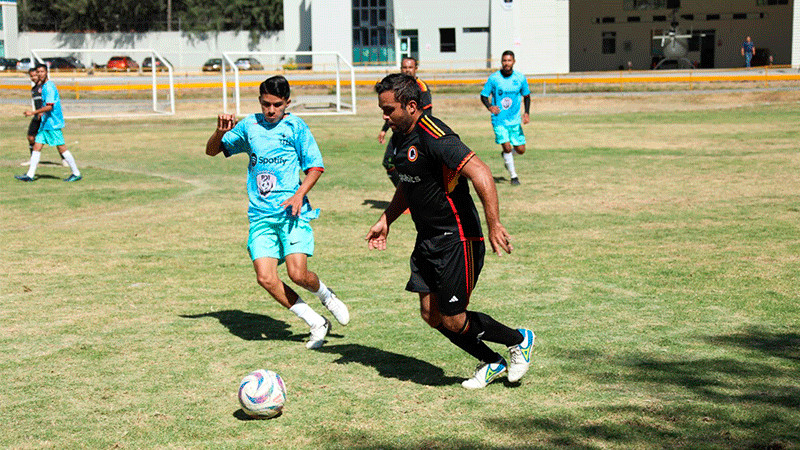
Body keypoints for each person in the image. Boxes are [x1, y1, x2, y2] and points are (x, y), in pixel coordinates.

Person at [366, 74, 535, 389]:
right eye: (382, 109)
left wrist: (494, 223)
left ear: (412, 106)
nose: (384, 116)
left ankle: (519, 339)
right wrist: (387, 218)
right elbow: (408, 181)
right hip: (427, 239)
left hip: (459, 239)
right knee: (431, 315)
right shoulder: (400, 137)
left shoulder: (436, 135)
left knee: (454, 318)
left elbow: (481, 172)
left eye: (389, 109)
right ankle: (493, 362)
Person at [205, 75, 349, 350]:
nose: (271, 110)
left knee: (298, 274)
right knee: (265, 278)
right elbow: (212, 152)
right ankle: (316, 322)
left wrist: (299, 194)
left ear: (287, 103)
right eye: (266, 104)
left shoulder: (296, 127)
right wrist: (220, 132)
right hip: (260, 216)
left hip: (291, 214)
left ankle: (326, 296)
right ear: (260, 102)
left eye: (277, 105)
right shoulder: (249, 126)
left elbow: (315, 166)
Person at [16, 64, 82, 182]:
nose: (40, 74)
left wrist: (34, 112)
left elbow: (49, 107)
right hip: (45, 123)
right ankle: (30, 175)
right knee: (37, 146)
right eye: (38, 72)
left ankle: (76, 173)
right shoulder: (44, 86)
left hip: (53, 123)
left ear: (46, 72)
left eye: (42, 71)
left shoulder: (49, 87)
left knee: (62, 148)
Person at [378, 57, 432, 186]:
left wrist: (421, 133)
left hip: (414, 132)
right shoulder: (396, 87)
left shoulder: (421, 87)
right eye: (404, 68)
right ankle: (406, 197)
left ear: (416, 69)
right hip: (399, 131)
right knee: (389, 162)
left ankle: (412, 198)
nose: (407, 70)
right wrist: (384, 130)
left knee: (413, 165)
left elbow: (426, 113)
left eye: (410, 67)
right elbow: (393, 111)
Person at [480, 50, 530, 186]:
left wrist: (526, 113)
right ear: (501, 62)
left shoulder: (520, 78)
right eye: (504, 61)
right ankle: (514, 176)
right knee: (507, 147)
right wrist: (490, 107)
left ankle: (507, 156)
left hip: (514, 120)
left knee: (521, 150)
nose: (506, 63)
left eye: (509, 60)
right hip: (499, 120)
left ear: (513, 62)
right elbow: (483, 95)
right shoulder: (494, 78)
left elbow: (526, 96)